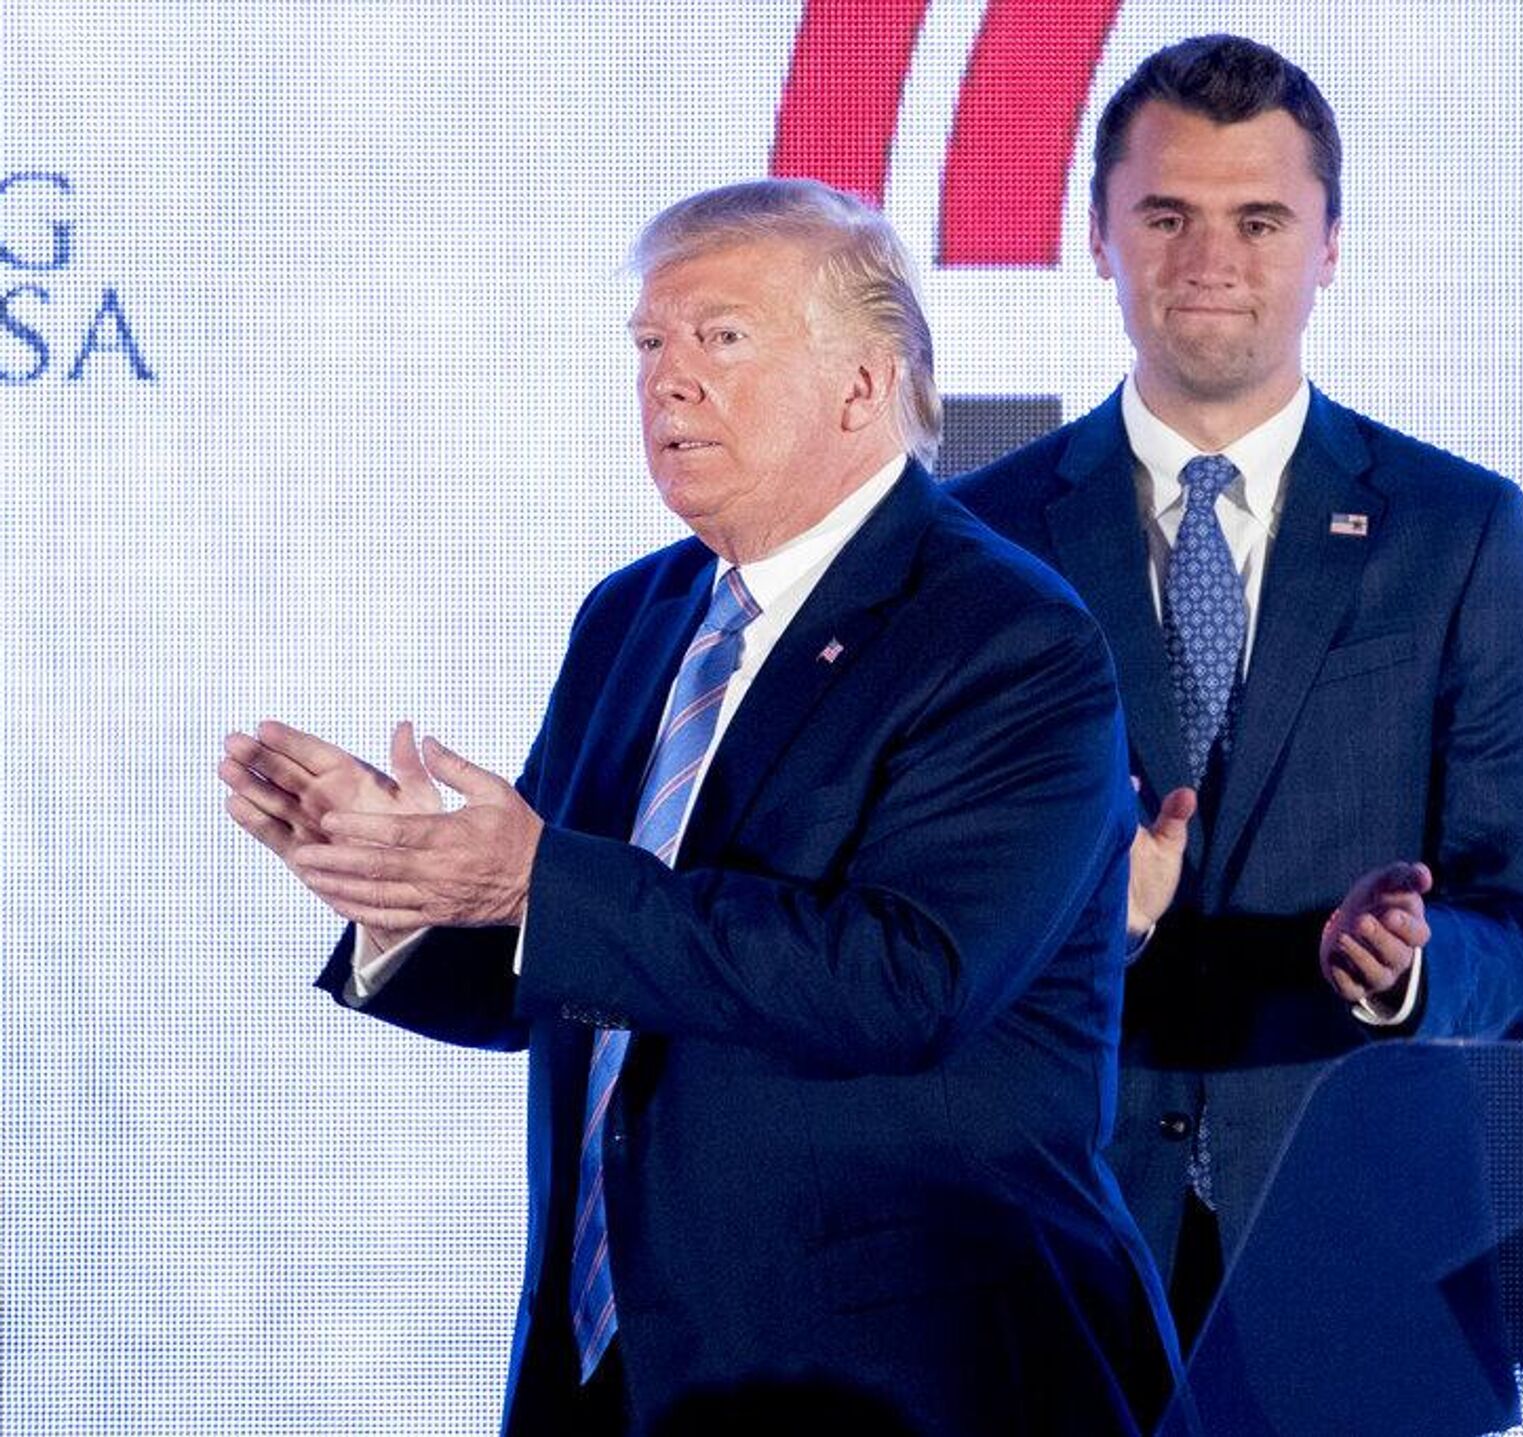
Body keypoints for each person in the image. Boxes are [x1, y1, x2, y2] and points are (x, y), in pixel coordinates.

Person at [219, 179, 1177, 1436]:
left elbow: (909, 983)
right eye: (650, 345)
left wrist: (531, 882)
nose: (669, 382)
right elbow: (575, 959)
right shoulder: (636, 614)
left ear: (862, 386)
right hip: (616, 1373)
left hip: (896, 1380)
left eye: (721, 338)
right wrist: (404, 892)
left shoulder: (1005, 635)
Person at [953, 35, 1523, 1345]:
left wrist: (1405, 974)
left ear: (1330, 245)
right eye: (1166, 215)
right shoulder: (976, 538)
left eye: (1259, 220)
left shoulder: (1456, 528)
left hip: (1360, 1236)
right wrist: (1095, 923)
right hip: (1047, 1239)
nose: (1209, 259)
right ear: (1099, 237)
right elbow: (922, 930)